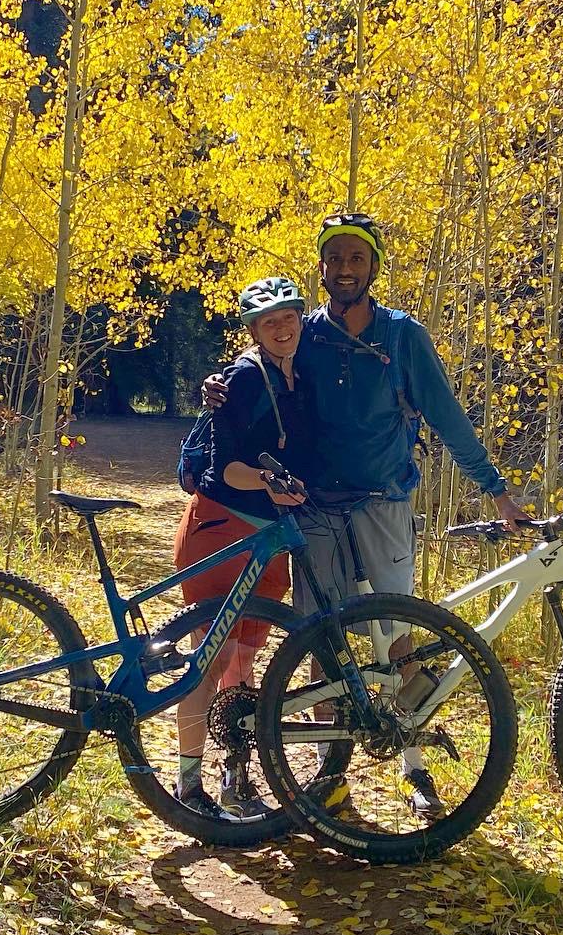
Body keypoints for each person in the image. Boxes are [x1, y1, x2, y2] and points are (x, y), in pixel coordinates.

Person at [203, 213, 527, 818]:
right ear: (321, 268)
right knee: (320, 637)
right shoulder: (308, 334)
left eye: (357, 257)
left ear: (374, 266)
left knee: (393, 632)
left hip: (383, 500)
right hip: (318, 508)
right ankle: (331, 773)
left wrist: (496, 490)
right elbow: (261, 374)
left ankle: (414, 763)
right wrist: (217, 387)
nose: (346, 268)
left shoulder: (403, 337)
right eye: (335, 258)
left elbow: (446, 416)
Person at [171, 275, 310, 819]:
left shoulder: (299, 371)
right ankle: (188, 785)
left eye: (289, 317)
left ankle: (234, 773)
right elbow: (222, 466)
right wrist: (269, 482)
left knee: (244, 658)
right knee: (212, 657)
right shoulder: (245, 379)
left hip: (269, 538)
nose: (282, 328)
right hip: (223, 527)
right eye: (269, 321)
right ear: (253, 330)